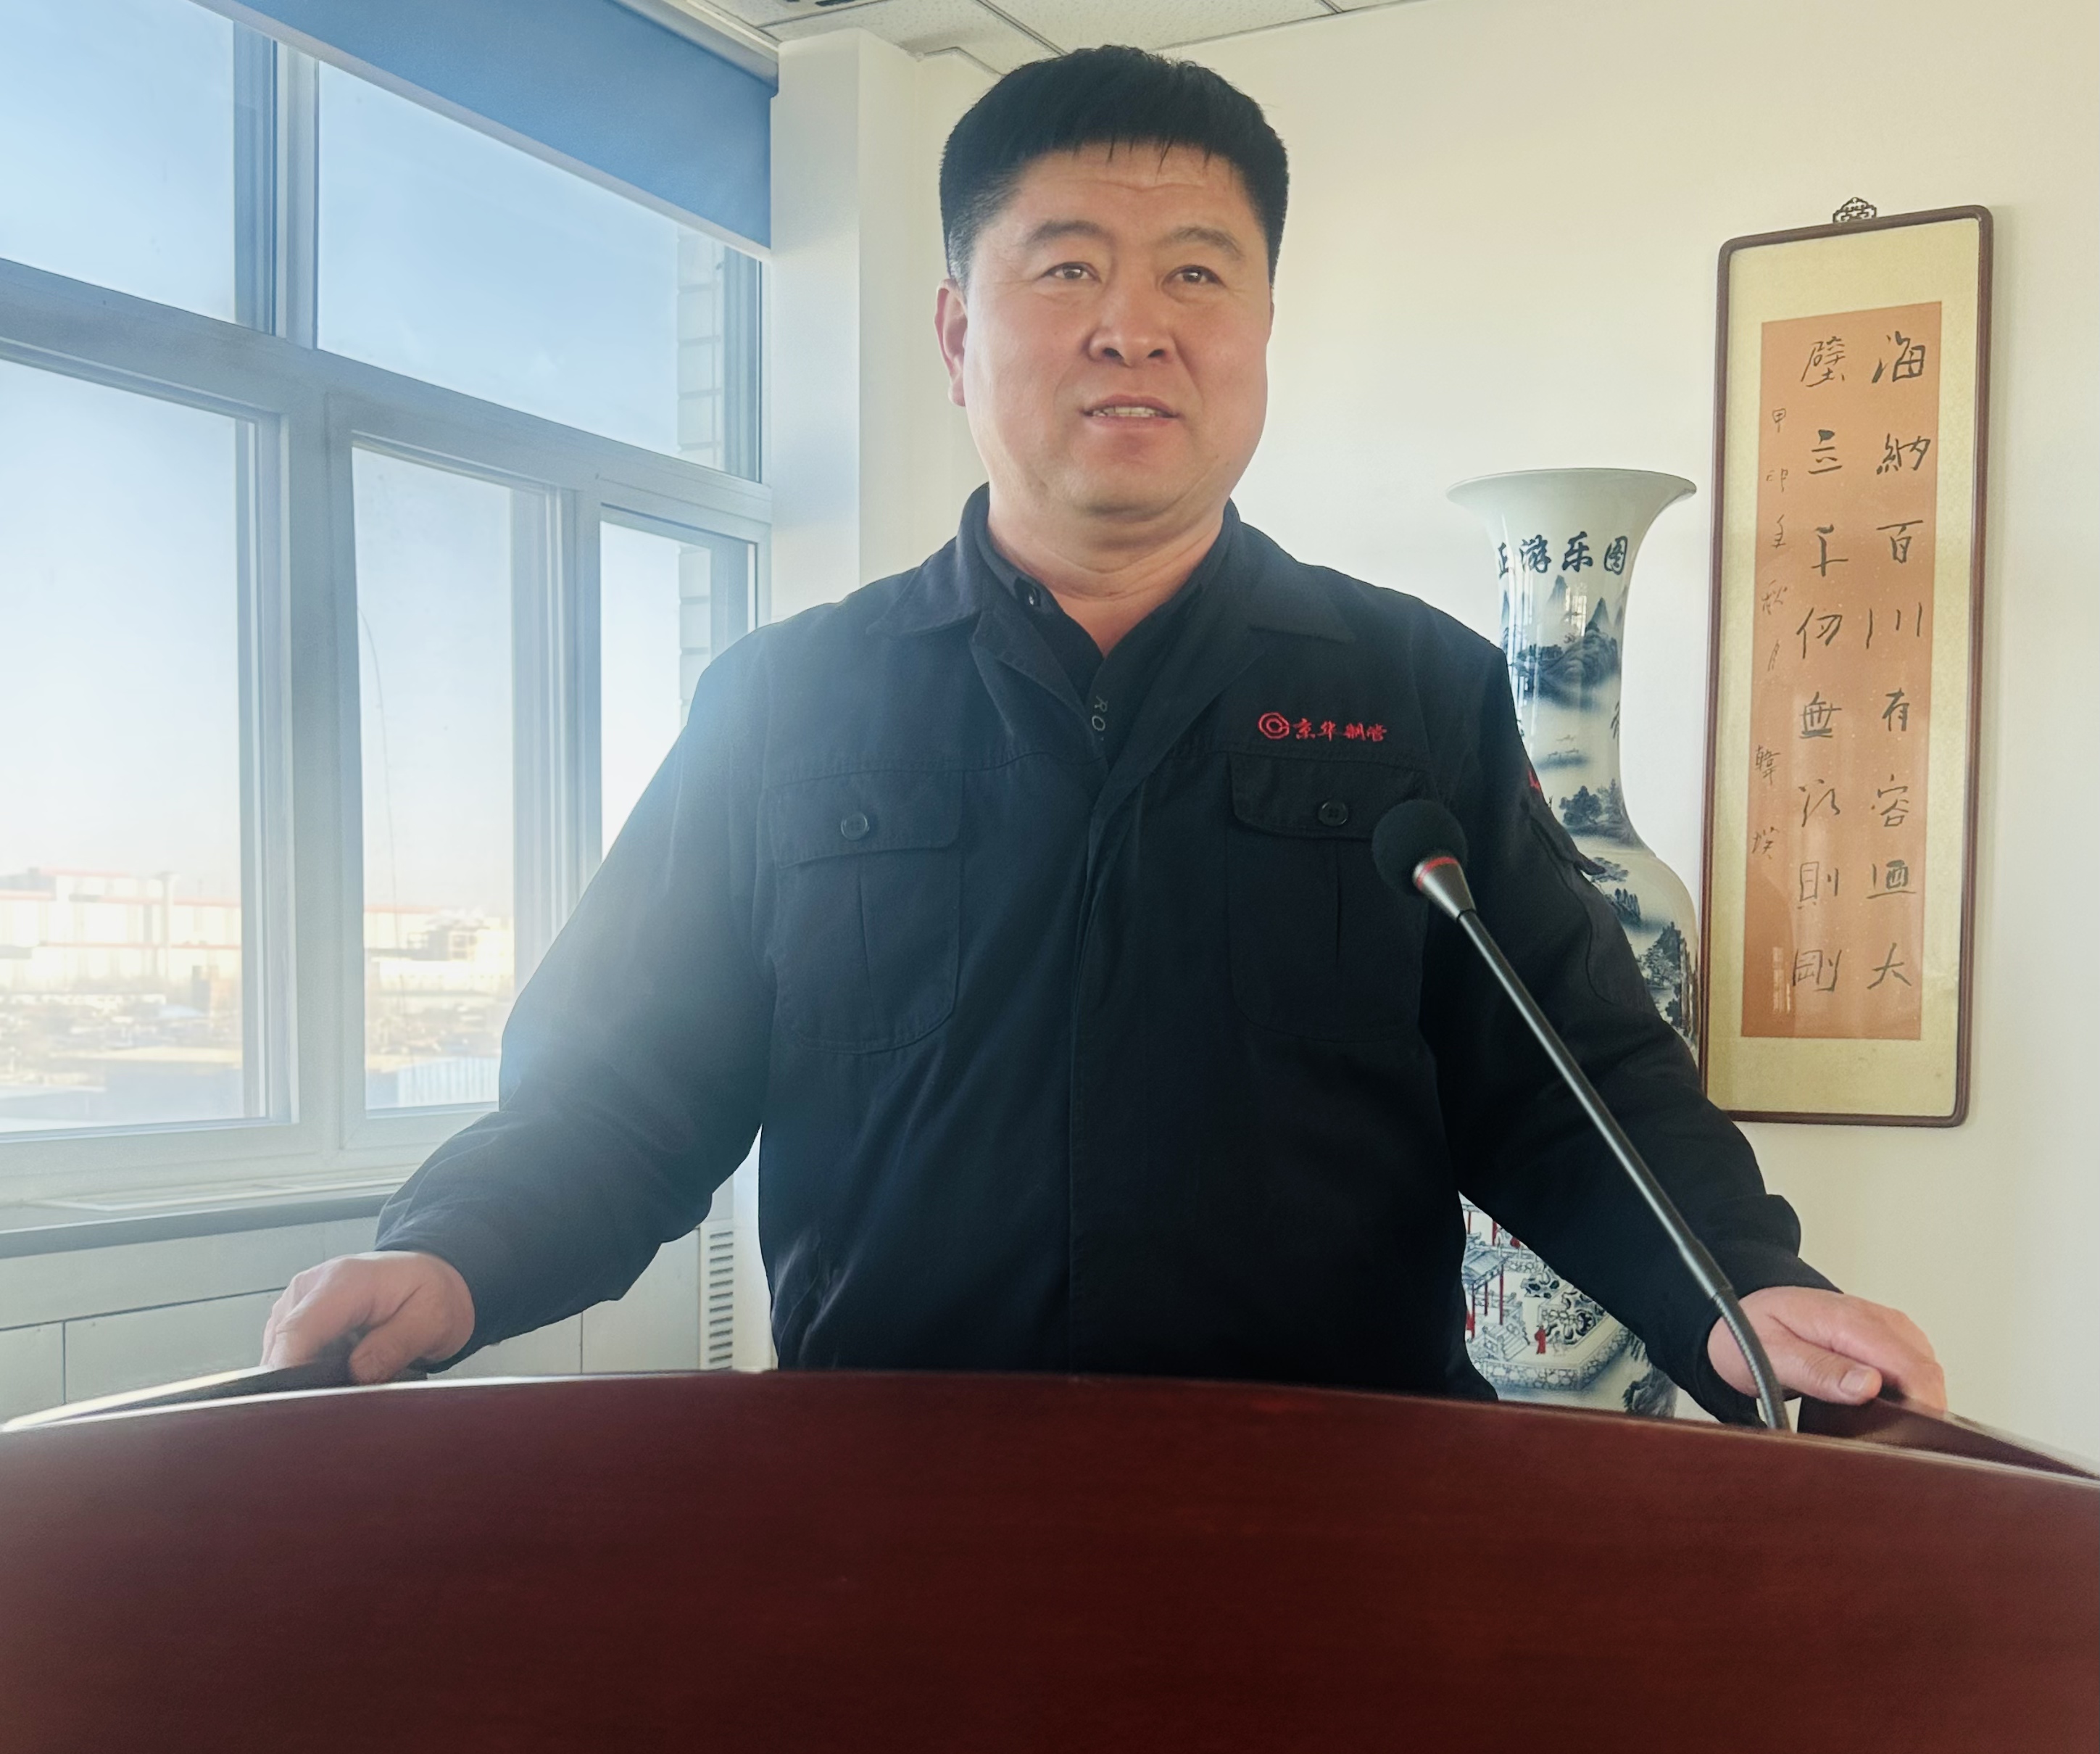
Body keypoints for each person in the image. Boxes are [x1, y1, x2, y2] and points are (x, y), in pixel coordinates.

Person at [265, 46, 1943, 1422]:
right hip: (890, 1508)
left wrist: (1744, 1288)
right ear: (956, 332)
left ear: (1261, 333)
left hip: (1339, 1510)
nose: (1133, 325)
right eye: (1066, 267)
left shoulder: (1411, 688)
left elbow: (1570, 1082)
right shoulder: (788, 702)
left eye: (1196, 273)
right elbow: (624, 1091)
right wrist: (457, 1250)